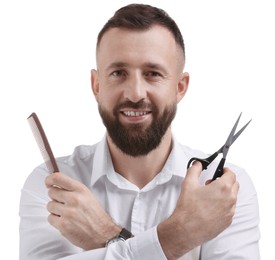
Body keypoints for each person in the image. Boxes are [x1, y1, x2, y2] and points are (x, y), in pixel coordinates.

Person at [19, 3, 260, 260]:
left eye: (152, 74)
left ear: (180, 87)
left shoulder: (225, 191)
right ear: (96, 85)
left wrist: (107, 237)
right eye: (119, 73)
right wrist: (179, 236)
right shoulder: (50, 187)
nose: (135, 93)